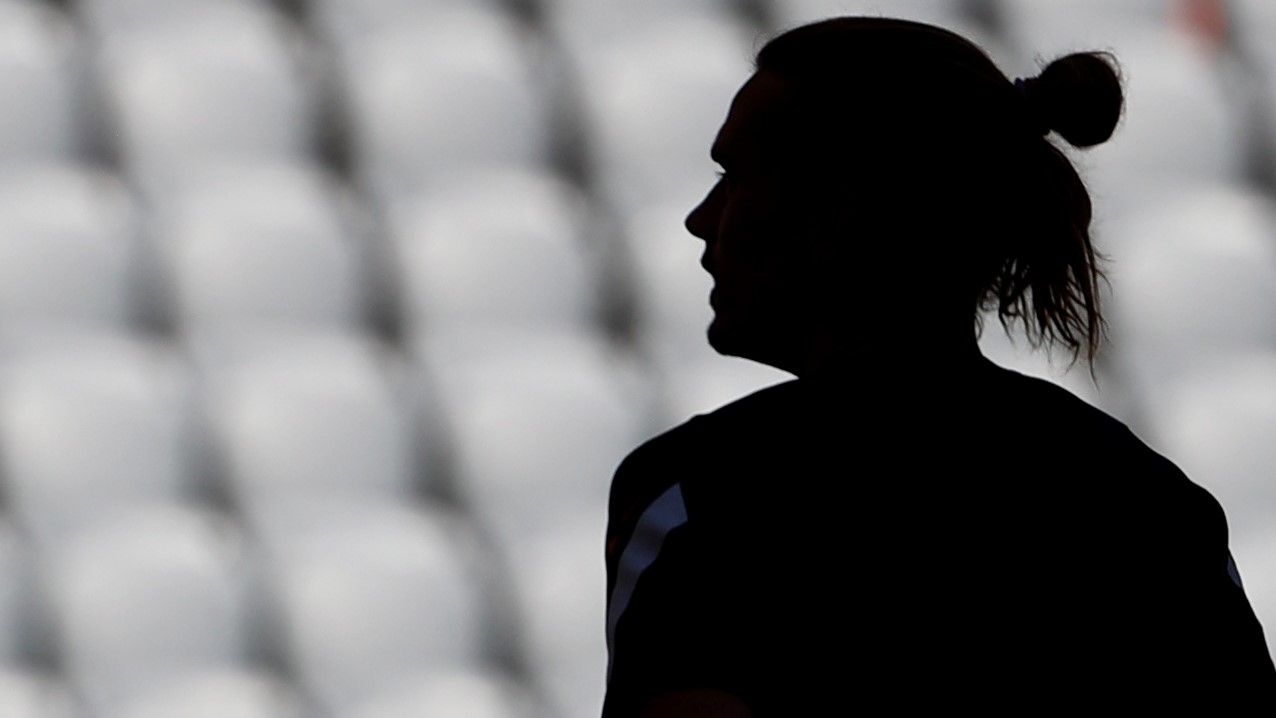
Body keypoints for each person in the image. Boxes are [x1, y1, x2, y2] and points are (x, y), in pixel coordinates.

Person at [599, 16, 1276, 717]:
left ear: (841, 211)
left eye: (734, 177)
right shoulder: (1146, 502)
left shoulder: (703, 496)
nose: (701, 221)